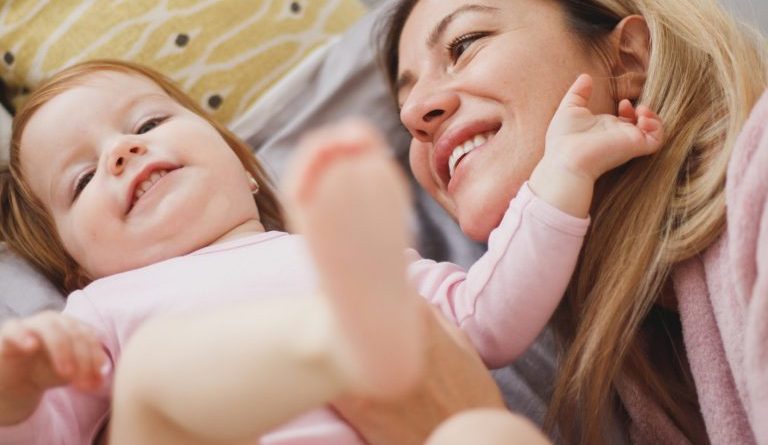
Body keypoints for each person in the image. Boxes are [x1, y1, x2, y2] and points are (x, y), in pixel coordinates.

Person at [0, 58, 660, 444]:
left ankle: (349, 342)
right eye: (81, 179)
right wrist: (17, 394)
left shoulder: (331, 253)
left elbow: (484, 315)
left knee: (493, 433)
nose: (122, 151)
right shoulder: (98, 311)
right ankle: (339, 344)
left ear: (245, 169)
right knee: (163, 367)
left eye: (148, 123)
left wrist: (563, 173)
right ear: (78, 267)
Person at [330, 0, 768, 444]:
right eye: (403, 106)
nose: (413, 115)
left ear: (627, 59)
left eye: (464, 45)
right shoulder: (634, 375)